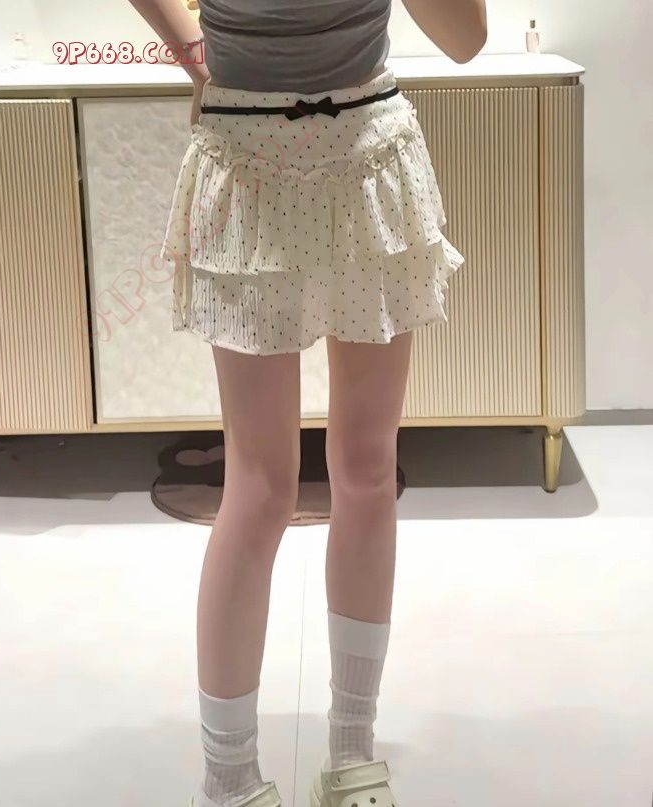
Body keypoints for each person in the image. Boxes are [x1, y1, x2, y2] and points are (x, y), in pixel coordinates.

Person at [127, 2, 487, 805]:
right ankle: (229, 778)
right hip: (245, 150)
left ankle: (353, 752)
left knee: (366, 469)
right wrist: (191, 49)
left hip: (368, 147)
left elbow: (466, 40)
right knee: (259, 487)